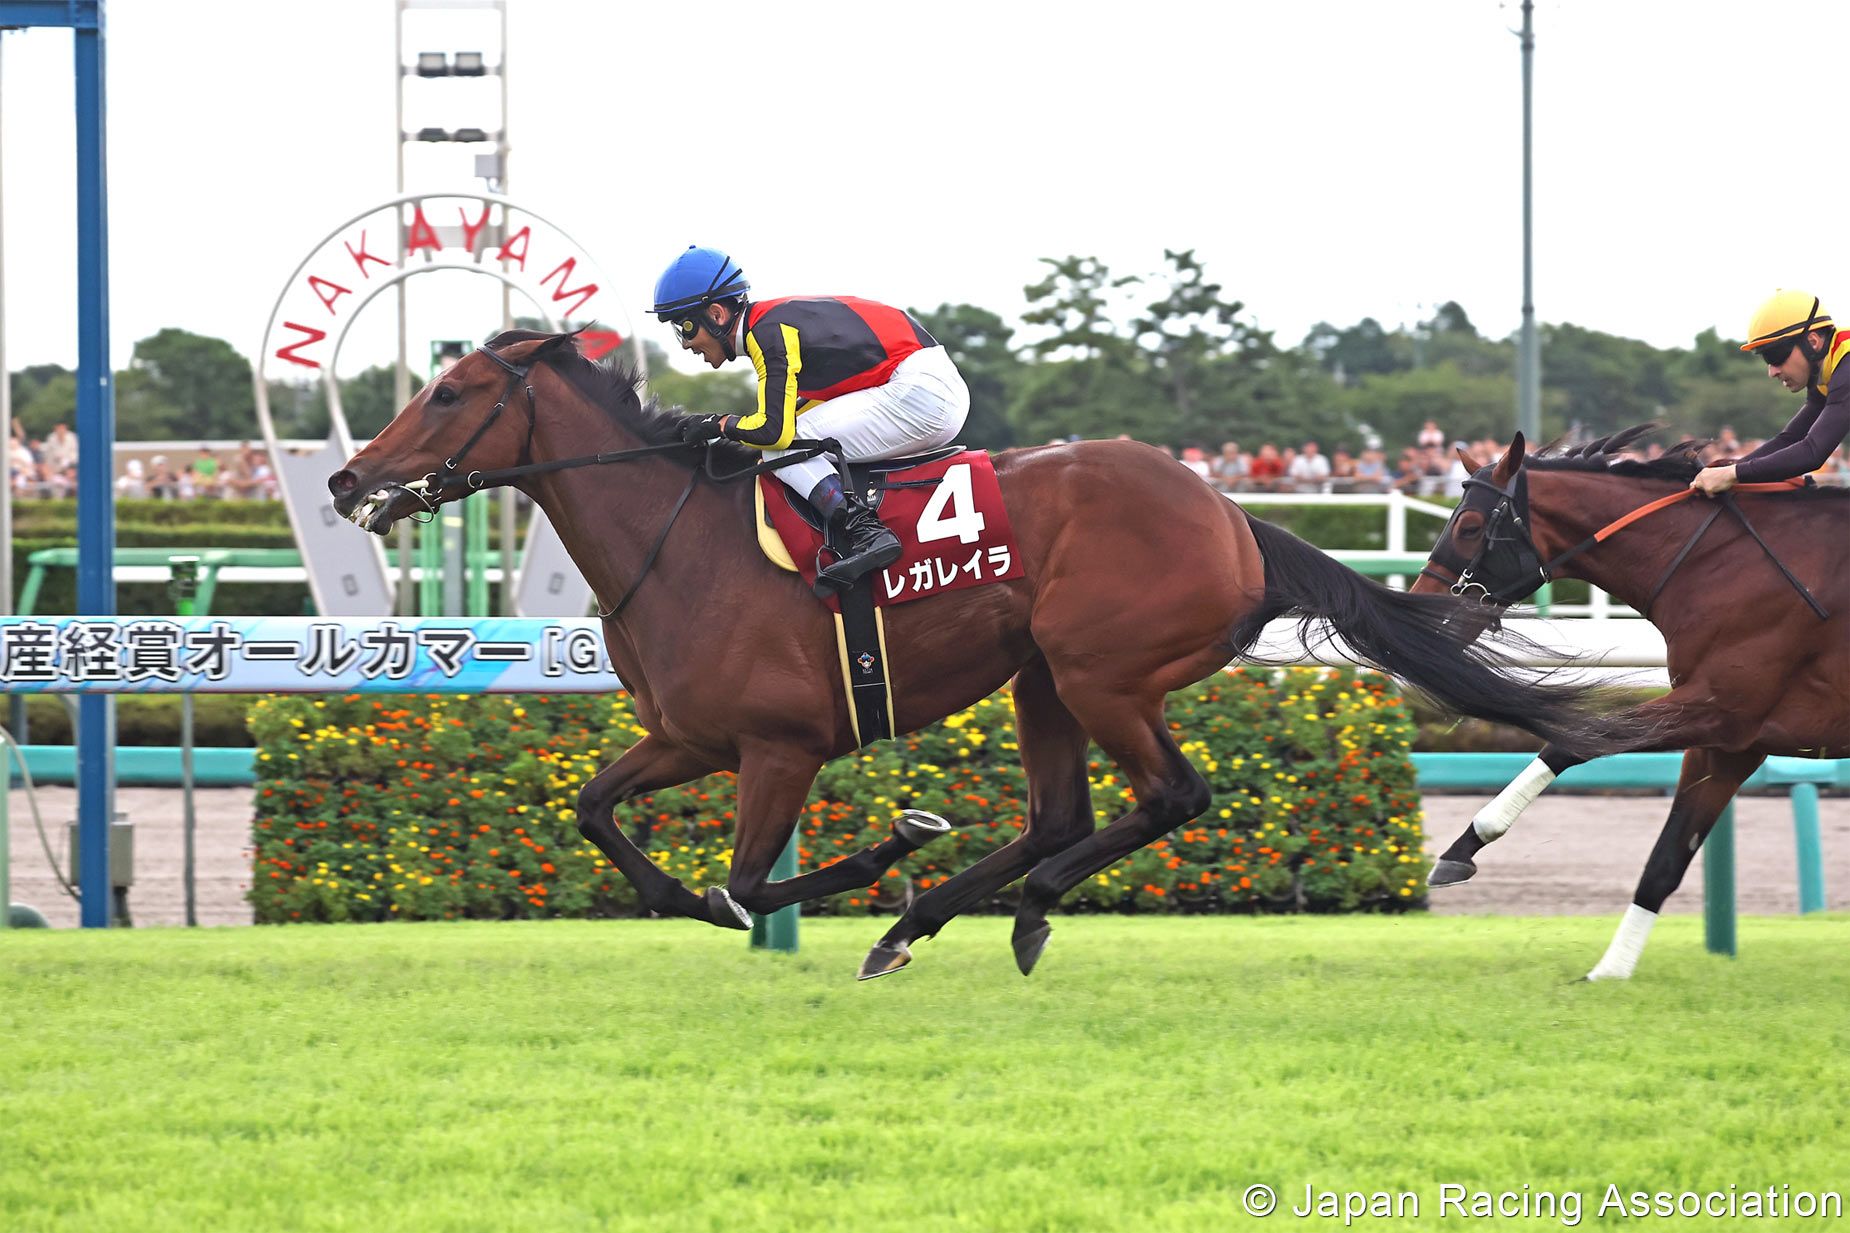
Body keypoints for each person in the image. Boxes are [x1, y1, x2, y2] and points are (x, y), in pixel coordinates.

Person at [650, 245, 970, 590]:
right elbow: (799, 410)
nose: (684, 345)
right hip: (923, 388)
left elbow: (774, 432)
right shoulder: (772, 323)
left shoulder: (768, 333)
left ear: (716, 315)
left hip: (922, 394)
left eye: (683, 328)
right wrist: (722, 424)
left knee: (782, 451)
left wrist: (719, 424)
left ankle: (867, 532)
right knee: (796, 438)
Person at [1692, 290, 1850, 496]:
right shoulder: (1828, 370)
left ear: (1813, 342)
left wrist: (1734, 473)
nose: (1772, 371)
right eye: (1766, 359)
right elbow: (1790, 439)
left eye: (1776, 355)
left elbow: (1813, 452)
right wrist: (1731, 467)